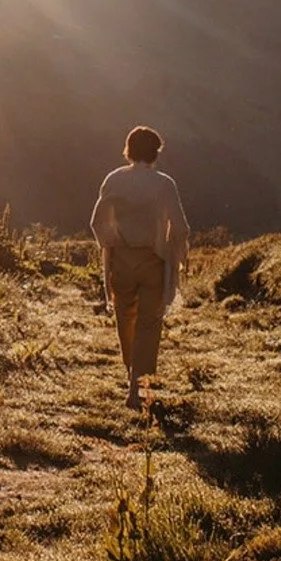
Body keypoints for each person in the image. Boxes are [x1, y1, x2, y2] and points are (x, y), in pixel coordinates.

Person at [89, 125, 192, 410]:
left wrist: (113, 242)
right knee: (149, 323)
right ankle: (138, 387)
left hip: (121, 258)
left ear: (128, 150)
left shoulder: (113, 180)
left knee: (125, 318)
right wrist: (176, 252)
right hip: (153, 261)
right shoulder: (164, 183)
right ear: (156, 151)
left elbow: (97, 222)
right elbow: (181, 227)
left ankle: (130, 373)